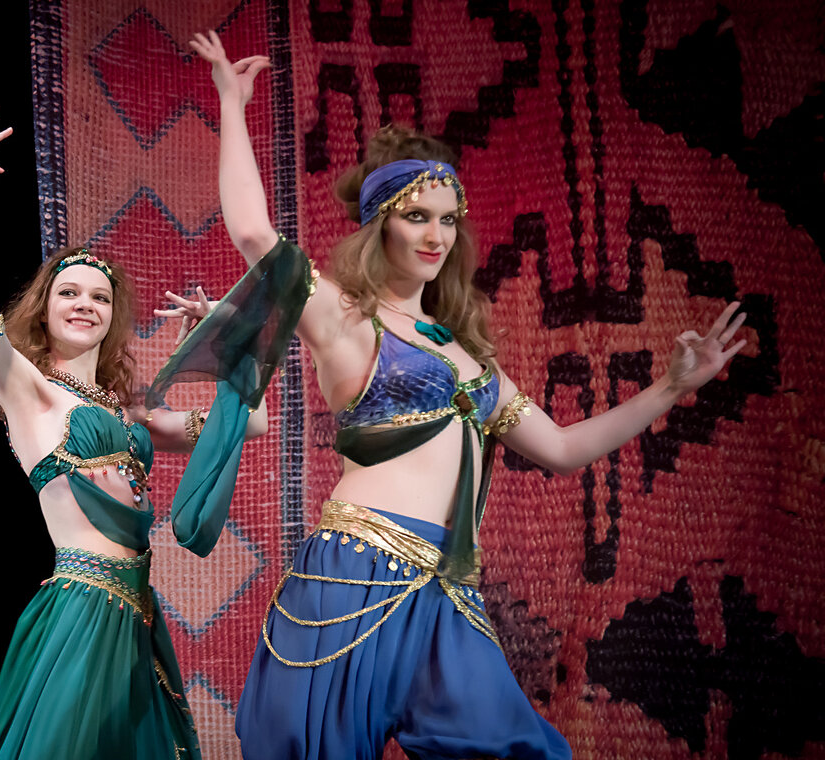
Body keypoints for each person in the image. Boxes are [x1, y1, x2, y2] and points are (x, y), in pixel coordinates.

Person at [189, 30, 748, 760]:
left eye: (447, 219)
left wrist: (671, 386)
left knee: (516, 750)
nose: (436, 236)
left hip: (446, 594)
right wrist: (232, 104)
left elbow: (562, 448)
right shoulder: (344, 319)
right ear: (380, 222)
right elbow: (253, 231)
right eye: (416, 216)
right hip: (354, 569)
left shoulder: (466, 355)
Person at [0, 110, 305, 760]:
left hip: (136, 615)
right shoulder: (27, 389)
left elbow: (250, 420)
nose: (85, 304)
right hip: (82, 608)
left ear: (112, 318)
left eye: (100, 298)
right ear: (43, 309)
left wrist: (222, 332)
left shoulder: (128, 414)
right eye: (70, 293)